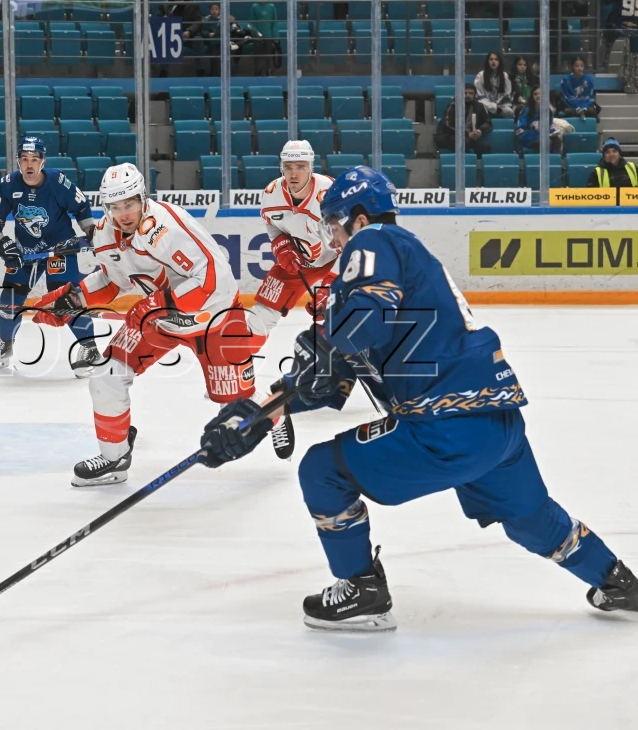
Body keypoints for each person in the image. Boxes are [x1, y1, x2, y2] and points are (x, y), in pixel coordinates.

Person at [198, 165, 638, 630]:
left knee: (322, 470)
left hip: (444, 425)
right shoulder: (410, 262)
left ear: (359, 218)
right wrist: (258, 415)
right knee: (531, 517)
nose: (331, 238)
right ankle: (615, 580)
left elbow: (358, 328)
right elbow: (339, 373)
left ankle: (362, 591)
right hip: (497, 423)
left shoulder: (374, 242)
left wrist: (324, 349)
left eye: (333, 223)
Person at [31, 162, 262, 486]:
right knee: (106, 376)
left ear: (143, 198)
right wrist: (73, 300)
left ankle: (277, 415)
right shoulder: (105, 234)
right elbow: (113, 281)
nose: (123, 213)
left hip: (214, 316)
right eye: (115, 206)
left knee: (236, 403)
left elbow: (214, 278)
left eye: (129, 204)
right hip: (162, 319)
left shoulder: (165, 229)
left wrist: (158, 304)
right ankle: (114, 458)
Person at [0, 135, 102, 375]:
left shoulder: (58, 182)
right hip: (25, 254)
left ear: (43, 161)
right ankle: (5, 346)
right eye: (24, 159)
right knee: (8, 303)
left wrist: (90, 232)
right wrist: (3, 243)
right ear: (17, 161)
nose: (29, 165)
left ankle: (90, 348)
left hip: (60, 249)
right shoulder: (7, 185)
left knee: (66, 300)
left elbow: (82, 207)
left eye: (34, 159)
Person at [243, 140, 336, 450]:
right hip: (298, 264)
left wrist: (332, 286)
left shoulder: (330, 194)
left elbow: (354, 242)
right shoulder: (271, 193)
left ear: (311, 167)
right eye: (288, 167)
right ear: (280, 168)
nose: (294, 173)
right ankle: (237, 374)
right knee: (259, 317)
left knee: (341, 321)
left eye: (301, 167)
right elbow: (273, 227)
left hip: (336, 263)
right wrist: (281, 247)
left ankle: (373, 367)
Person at [437, 83, 493, 154]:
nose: (468, 95)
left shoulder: (479, 106)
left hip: (471, 137)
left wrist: (480, 130)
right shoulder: (452, 105)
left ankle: (478, 164)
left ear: (475, 95)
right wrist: (467, 134)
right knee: (464, 143)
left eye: (471, 93)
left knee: (485, 147)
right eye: (465, 93)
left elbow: (488, 123)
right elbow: (447, 125)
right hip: (450, 136)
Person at [515, 89, 563, 153]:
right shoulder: (526, 110)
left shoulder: (548, 111)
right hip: (527, 137)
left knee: (557, 140)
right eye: (535, 94)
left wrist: (553, 133)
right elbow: (520, 130)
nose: (538, 96)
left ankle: (554, 161)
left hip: (544, 136)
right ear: (532, 96)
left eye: (540, 94)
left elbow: (550, 127)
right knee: (545, 142)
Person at [249, 0, 280, 76]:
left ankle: (268, 72)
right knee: (257, 57)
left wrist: (276, 38)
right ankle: (257, 73)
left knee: (269, 56)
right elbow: (251, 23)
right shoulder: (254, 6)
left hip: (268, 36)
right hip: (257, 37)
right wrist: (257, 35)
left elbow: (274, 23)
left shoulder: (271, 7)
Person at [474, 51, 513, 118]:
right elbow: (479, 95)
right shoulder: (481, 75)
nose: (493, 61)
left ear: (499, 62)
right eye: (491, 59)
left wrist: (497, 105)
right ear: (487, 62)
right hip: (485, 105)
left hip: (500, 105)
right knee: (480, 111)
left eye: (496, 59)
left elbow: (507, 94)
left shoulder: (505, 75)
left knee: (509, 112)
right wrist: (492, 106)